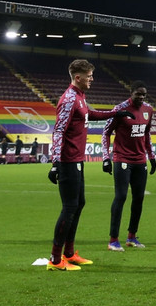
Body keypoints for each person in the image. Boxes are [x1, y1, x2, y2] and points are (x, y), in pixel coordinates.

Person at [47, 59, 118, 271]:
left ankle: (69, 253)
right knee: (69, 207)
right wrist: (55, 163)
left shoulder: (80, 97)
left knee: (78, 204)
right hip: (67, 161)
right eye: (89, 76)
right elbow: (58, 130)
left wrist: (116, 113)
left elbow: (91, 114)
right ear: (78, 77)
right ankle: (55, 258)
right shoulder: (69, 99)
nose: (92, 79)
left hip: (77, 160)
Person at [101, 80, 154, 251]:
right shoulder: (120, 109)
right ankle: (113, 240)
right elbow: (106, 132)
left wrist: (151, 156)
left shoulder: (148, 110)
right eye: (138, 94)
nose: (141, 97)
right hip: (122, 159)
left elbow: (147, 134)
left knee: (138, 199)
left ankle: (132, 237)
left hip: (140, 160)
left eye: (143, 95)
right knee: (121, 196)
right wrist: (105, 157)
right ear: (131, 93)